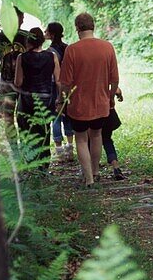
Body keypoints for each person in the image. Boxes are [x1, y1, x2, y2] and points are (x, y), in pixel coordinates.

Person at [59, 12, 119, 187]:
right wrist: (110, 98)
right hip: (101, 103)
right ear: (93, 26)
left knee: (81, 139)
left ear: (77, 28)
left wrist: (62, 99)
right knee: (97, 135)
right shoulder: (107, 47)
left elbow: (65, 82)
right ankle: (95, 171)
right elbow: (114, 79)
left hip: (78, 105)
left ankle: (89, 179)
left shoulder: (72, 50)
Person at [14, 26, 59, 170]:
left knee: (26, 132)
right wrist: (60, 99)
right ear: (41, 41)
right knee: (44, 132)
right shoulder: (52, 56)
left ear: (29, 41)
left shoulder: (22, 57)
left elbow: (18, 82)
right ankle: (44, 166)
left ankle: (30, 164)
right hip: (46, 99)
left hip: (27, 99)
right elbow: (58, 79)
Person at [0, 7, 28, 130]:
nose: (23, 21)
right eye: (22, 18)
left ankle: (15, 148)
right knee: (24, 118)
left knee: (8, 119)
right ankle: (26, 146)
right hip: (25, 84)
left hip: (6, 84)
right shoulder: (27, 37)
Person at [45, 21, 74, 159]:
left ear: (51, 34)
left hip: (54, 86)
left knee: (55, 117)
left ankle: (59, 151)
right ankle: (70, 148)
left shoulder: (49, 52)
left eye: (46, 31)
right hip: (69, 85)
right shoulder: (68, 48)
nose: (45, 33)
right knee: (68, 115)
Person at [102, 85, 127, 181]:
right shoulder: (105, 70)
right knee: (107, 140)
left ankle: (91, 172)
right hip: (108, 111)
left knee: (88, 141)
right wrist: (118, 95)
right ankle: (116, 166)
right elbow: (116, 89)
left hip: (91, 111)